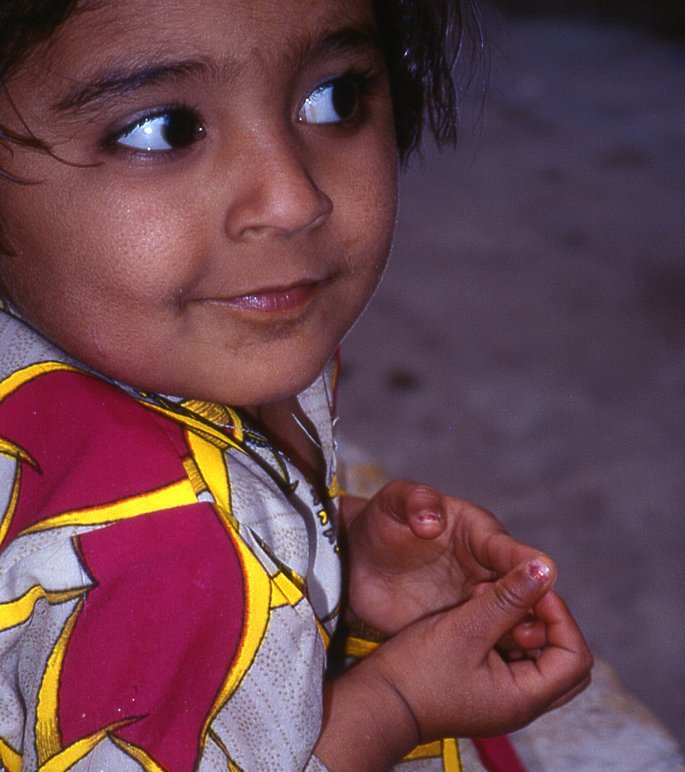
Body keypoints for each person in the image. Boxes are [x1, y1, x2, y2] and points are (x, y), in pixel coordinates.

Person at [0, 1, 592, 770]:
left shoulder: (199, 329)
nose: (293, 199)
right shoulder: (179, 565)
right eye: (163, 129)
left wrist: (325, 551)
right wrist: (397, 702)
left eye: (334, 97)